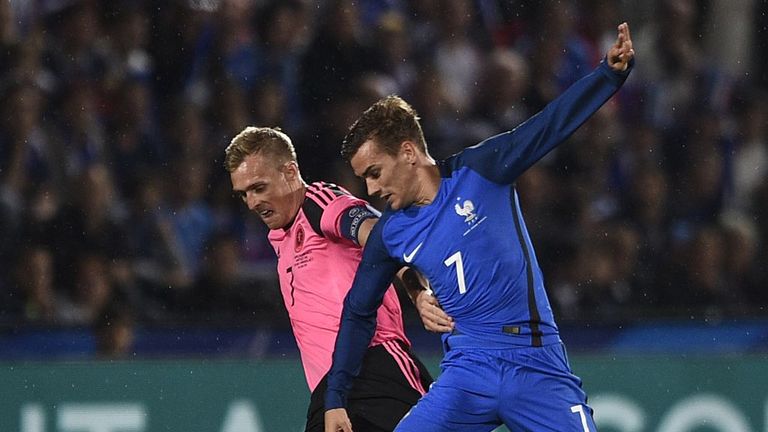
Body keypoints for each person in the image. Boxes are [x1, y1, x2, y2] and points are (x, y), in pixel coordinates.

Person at [325, 22, 635, 432]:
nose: (371, 188)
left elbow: (547, 127)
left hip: (534, 359)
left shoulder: (481, 170)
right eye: (364, 178)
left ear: (408, 152)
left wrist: (608, 75)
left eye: (375, 172)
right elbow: (358, 310)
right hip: (467, 371)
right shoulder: (390, 233)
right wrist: (335, 399)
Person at [224, 126, 453, 432]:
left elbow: (380, 236)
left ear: (290, 172)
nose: (252, 202)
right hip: (331, 391)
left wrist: (417, 291)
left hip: (377, 367)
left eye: (259, 188)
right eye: (244, 194)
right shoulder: (281, 236)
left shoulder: (317, 203)